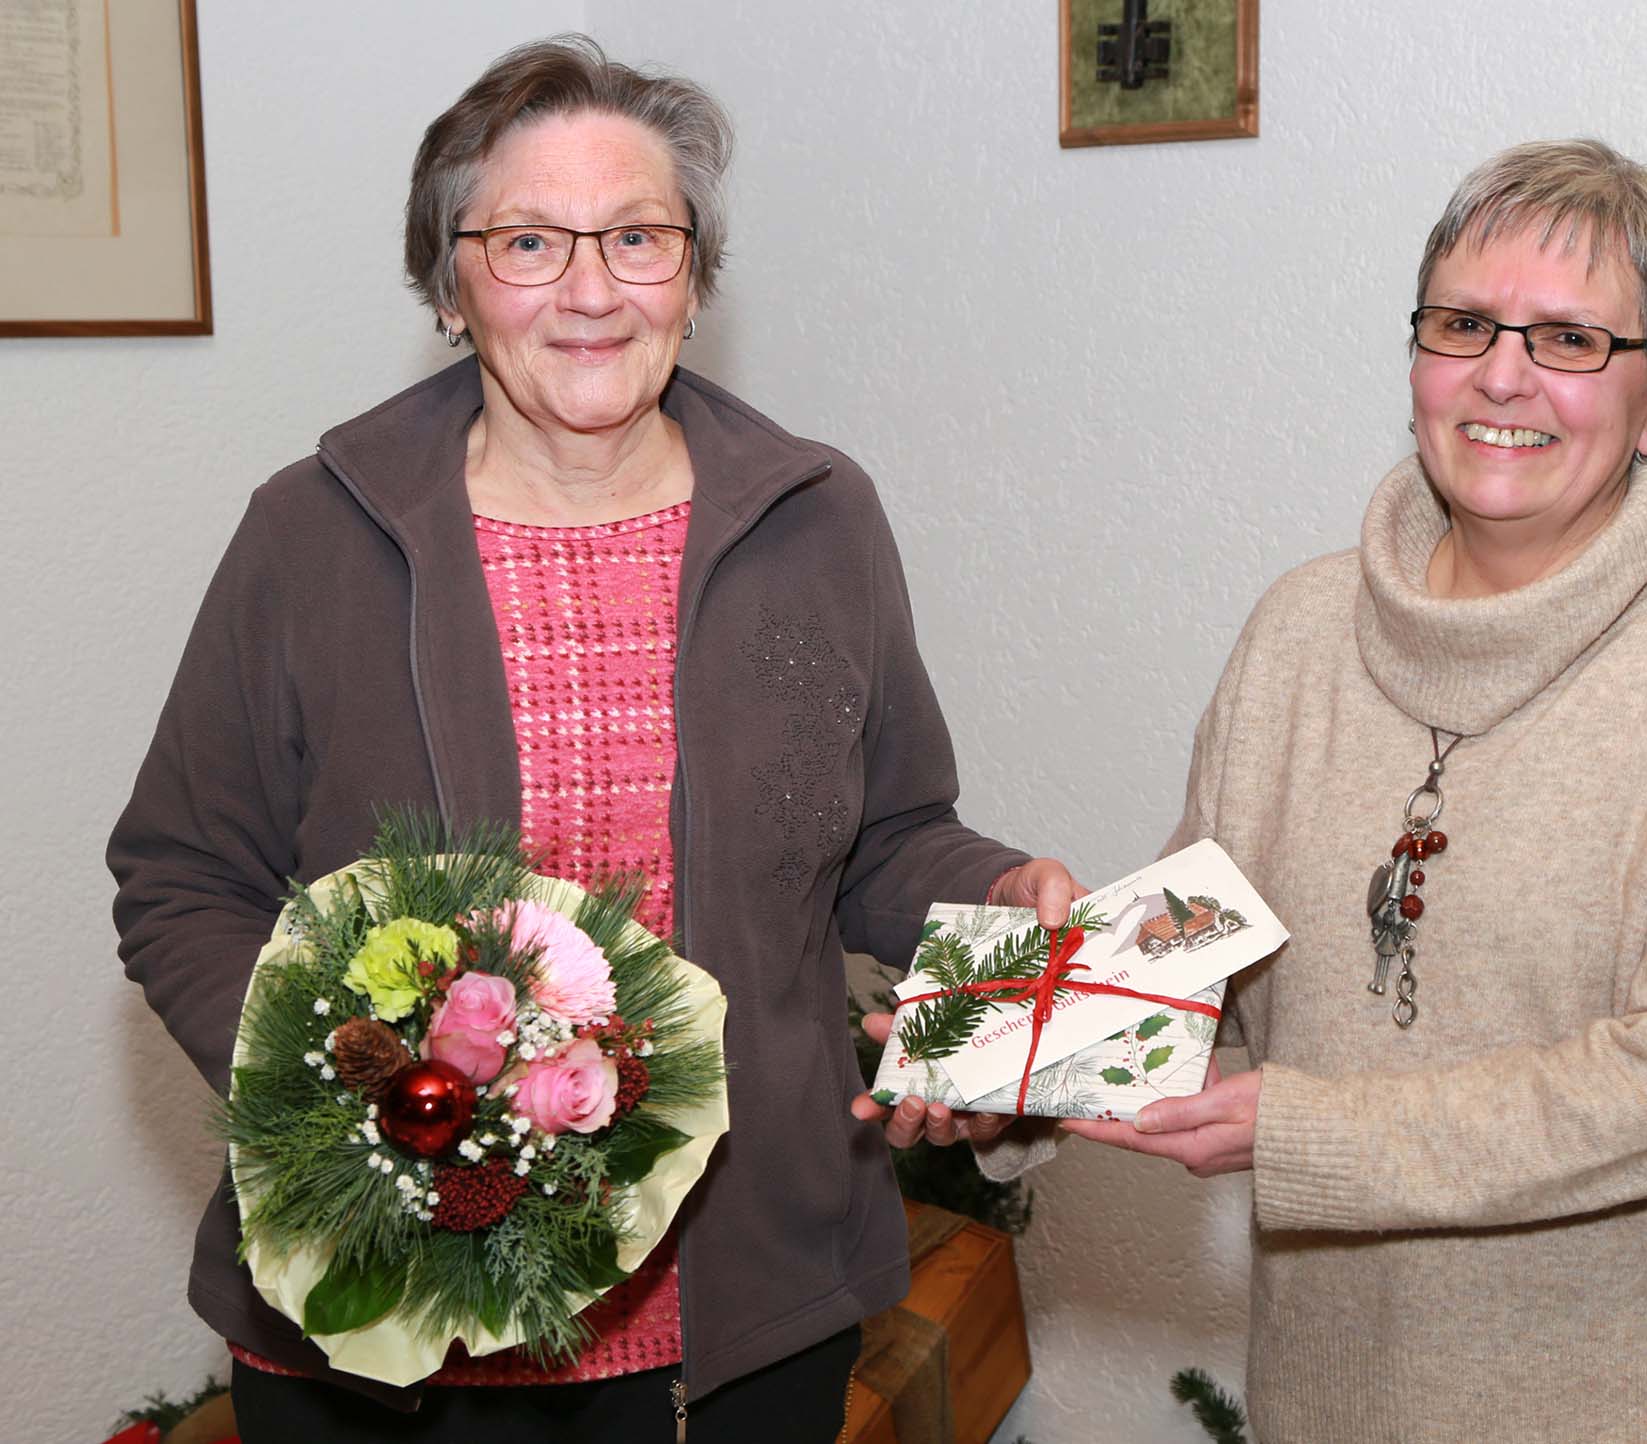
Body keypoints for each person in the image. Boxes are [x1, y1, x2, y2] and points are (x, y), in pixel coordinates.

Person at [107, 35, 1079, 1442]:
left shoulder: (818, 520)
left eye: (637, 236)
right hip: (388, 1327)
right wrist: (350, 1097)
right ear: (448, 285)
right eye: (526, 242)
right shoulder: (311, 534)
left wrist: (998, 900)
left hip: (738, 1316)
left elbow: (883, 839)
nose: (589, 289)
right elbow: (181, 877)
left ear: (694, 277)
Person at [1055, 140, 1647, 1443]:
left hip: (1633, 1403)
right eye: (1464, 323)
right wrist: (998, 1057)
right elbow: (1194, 958)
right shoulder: (1297, 630)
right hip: (1333, 1398)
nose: (1504, 373)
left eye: (1573, 339)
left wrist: (1310, 1133)